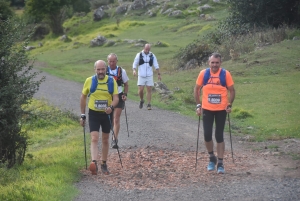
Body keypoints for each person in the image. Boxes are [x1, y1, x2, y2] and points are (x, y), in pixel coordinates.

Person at [194, 53, 235, 174]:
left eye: (217, 62)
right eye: (212, 62)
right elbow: (196, 89)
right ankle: (212, 157)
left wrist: (229, 104)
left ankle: (221, 163)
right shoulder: (204, 74)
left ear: (220, 63)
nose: (214, 65)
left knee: (219, 135)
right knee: (207, 135)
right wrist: (198, 105)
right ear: (209, 63)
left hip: (221, 109)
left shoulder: (225, 74)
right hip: (207, 109)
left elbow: (232, 91)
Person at [80, 60, 119, 175]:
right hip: (93, 113)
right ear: (95, 70)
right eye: (98, 69)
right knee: (94, 138)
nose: (101, 72)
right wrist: (82, 114)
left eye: (102, 69)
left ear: (106, 69)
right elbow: (83, 97)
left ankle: (104, 163)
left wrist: (111, 107)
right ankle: (94, 163)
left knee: (106, 139)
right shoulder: (89, 81)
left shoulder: (111, 81)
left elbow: (116, 98)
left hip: (107, 114)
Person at [106, 53, 129, 149]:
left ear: (116, 61)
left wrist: (125, 94)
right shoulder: (104, 70)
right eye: (110, 61)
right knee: (109, 119)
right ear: (108, 61)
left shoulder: (121, 71)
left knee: (116, 118)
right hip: (107, 96)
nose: (112, 63)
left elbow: (126, 84)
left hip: (119, 95)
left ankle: (114, 140)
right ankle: (111, 133)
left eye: (113, 61)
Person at [132, 43, 161, 110]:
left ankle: (148, 104)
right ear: (143, 48)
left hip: (149, 75)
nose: (147, 51)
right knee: (141, 90)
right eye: (146, 49)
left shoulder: (152, 55)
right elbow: (135, 63)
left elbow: (156, 65)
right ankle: (141, 100)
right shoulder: (139, 55)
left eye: (148, 49)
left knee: (149, 89)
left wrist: (158, 74)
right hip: (141, 75)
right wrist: (134, 70)